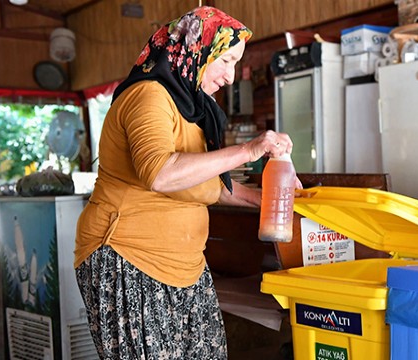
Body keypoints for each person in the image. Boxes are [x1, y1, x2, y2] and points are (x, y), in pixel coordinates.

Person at [74, 6, 298, 359]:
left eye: (236, 64)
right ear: (196, 50)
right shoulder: (148, 96)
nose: (229, 76)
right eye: (225, 60)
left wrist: (271, 200)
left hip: (186, 263)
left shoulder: (192, 109)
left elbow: (203, 181)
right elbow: (161, 172)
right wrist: (249, 149)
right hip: (129, 259)